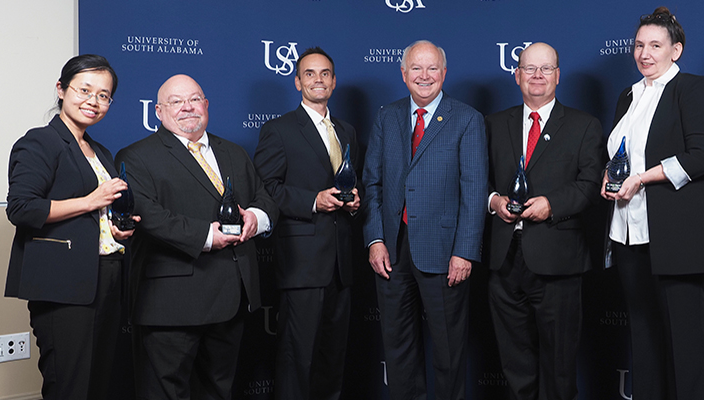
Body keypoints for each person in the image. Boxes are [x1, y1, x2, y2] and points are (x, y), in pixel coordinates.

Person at [115, 74, 278, 400]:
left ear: (206, 105)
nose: (187, 107)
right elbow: (149, 216)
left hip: (231, 300)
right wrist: (207, 236)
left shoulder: (233, 152)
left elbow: (265, 198)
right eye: (176, 102)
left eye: (194, 99)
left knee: (218, 391)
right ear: (159, 111)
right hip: (171, 304)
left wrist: (256, 219)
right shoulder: (134, 157)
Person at [600, 7, 704, 400]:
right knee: (644, 337)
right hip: (629, 233)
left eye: (655, 45)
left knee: (684, 343)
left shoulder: (691, 87)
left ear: (676, 50)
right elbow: (625, 156)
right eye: (639, 45)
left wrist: (642, 178)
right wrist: (612, 176)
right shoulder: (628, 96)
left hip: (678, 236)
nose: (644, 53)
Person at [5, 54, 137, 400]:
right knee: (70, 385)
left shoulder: (100, 151)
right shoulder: (40, 142)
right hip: (62, 283)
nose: (93, 102)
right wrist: (92, 201)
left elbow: (98, 215)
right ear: (61, 90)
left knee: (99, 383)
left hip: (105, 275)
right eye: (85, 90)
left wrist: (116, 230)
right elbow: (22, 208)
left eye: (104, 95)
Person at [362, 39, 487, 400]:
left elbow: (475, 191)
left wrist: (464, 251)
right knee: (398, 348)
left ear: (444, 73)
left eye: (432, 68)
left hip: (445, 252)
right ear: (403, 74)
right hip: (392, 252)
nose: (424, 76)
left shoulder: (467, 119)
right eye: (416, 68)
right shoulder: (387, 116)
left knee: (448, 352)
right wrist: (374, 239)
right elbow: (373, 183)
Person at [485, 42, 605, 400]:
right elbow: (475, 180)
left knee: (559, 364)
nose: (537, 76)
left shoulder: (584, 126)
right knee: (514, 362)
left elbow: (588, 184)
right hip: (504, 261)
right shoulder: (492, 124)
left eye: (546, 69)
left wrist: (551, 204)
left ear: (557, 75)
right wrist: (493, 201)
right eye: (530, 68)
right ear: (517, 74)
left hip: (558, 260)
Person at [253, 47, 360, 400]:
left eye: (325, 73)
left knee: (333, 358)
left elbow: (350, 183)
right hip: (302, 263)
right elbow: (266, 189)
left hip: (342, 263)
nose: (319, 80)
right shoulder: (279, 130)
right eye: (310, 74)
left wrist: (355, 202)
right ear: (298, 81)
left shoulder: (346, 131)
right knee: (296, 358)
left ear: (334, 81)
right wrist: (314, 200)